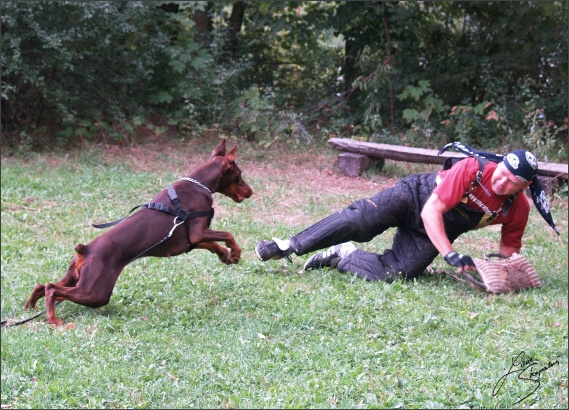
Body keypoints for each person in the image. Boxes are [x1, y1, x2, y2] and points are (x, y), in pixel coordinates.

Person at [255, 142, 559, 282]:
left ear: (525, 186)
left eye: (512, 182)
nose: (502, 181)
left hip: (436, 229)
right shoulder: (473, 169)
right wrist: (450, 255)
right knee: (361, 220)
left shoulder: (517, 207)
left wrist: (505, 275)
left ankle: (342, 256)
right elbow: (431, 212)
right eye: (503, 172)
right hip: (414, 198)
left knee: (397, 273)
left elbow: (509, 248)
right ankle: (287, 245)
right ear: (500, 163)